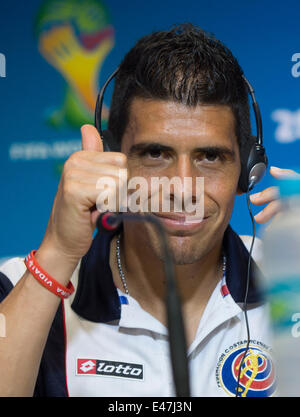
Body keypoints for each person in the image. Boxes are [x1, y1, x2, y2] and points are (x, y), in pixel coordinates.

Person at [0, 23, 296, 397]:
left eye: (209, 156)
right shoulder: (20, 287)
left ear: (246, 170)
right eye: (156, 154)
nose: (182, 189)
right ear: (111, 161)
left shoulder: (292, 280)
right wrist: (57, 254)